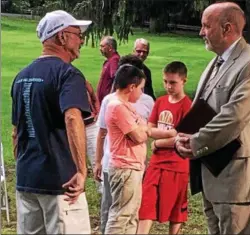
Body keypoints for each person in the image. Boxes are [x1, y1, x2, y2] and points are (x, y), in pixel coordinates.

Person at [175, 2, 250, 234]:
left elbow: (233, 117)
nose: (201, 32)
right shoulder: (217, 61)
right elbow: (203, 107)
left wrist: (195, 142)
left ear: (227, 29)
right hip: (212, 176)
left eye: (206, 26)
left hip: (238, 183)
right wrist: (182, 137)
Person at [11, 10, 92, 234]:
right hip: (62, 182)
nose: (82, 39)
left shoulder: (21, 76)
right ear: (62, 37)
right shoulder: (68, 74)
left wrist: (25, 168)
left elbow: (16, 132)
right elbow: (73, 117)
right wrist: (81, 170)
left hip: (27, 179)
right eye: (77, 33)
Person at [94, 55, 154, 234]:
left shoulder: (134, 104)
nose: (142, 92)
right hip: (123, 166)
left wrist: (145, 130)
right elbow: (138, 136)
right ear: (132, 86)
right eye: (141, 88)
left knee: (131, 214)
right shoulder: (116, 105)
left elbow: (146, 129)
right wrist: (144, 130)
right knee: (118, 215)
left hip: (134, 166)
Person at [137, 61, 192, 234]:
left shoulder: (187, 105)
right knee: (146, 203)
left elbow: (182, 137)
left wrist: (158, 142)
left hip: (177, 164)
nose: (168, 86)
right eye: (165, 82)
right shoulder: (160, 101)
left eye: (173, 82)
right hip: (156, 163)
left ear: (184, 81)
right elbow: (149, 128)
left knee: (176, 207)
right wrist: (170, 135)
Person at [84, 80, 101, 192]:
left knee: (96, 158)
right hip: (70, 128)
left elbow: (94, 97)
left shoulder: (80, 79)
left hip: (90, 125)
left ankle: (102, 190)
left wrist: (97, 112)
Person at [96, 36, 120, 104]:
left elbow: (116, 79)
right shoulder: (110, 60)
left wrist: (110, 99)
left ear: (110, 48)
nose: (100, 49)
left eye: (102, 46)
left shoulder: (114, 60)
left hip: (107, 102)